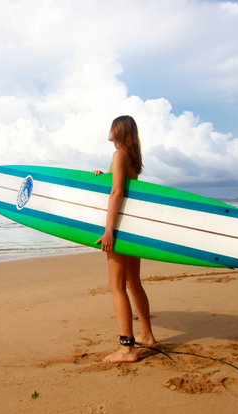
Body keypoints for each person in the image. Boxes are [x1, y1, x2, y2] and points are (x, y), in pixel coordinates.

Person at [93, 115, 156, 363]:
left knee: (117, 286)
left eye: (111, 126)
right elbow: (119, 186)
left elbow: (117, 192)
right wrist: (102, 176)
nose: (108, 130)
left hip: (118, 227)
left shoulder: (118, 154)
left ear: (118, 130)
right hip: (132, 228)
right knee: (134, 283)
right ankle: (147, 335)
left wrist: (109, 230)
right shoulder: (130, 158)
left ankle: (127, 348)